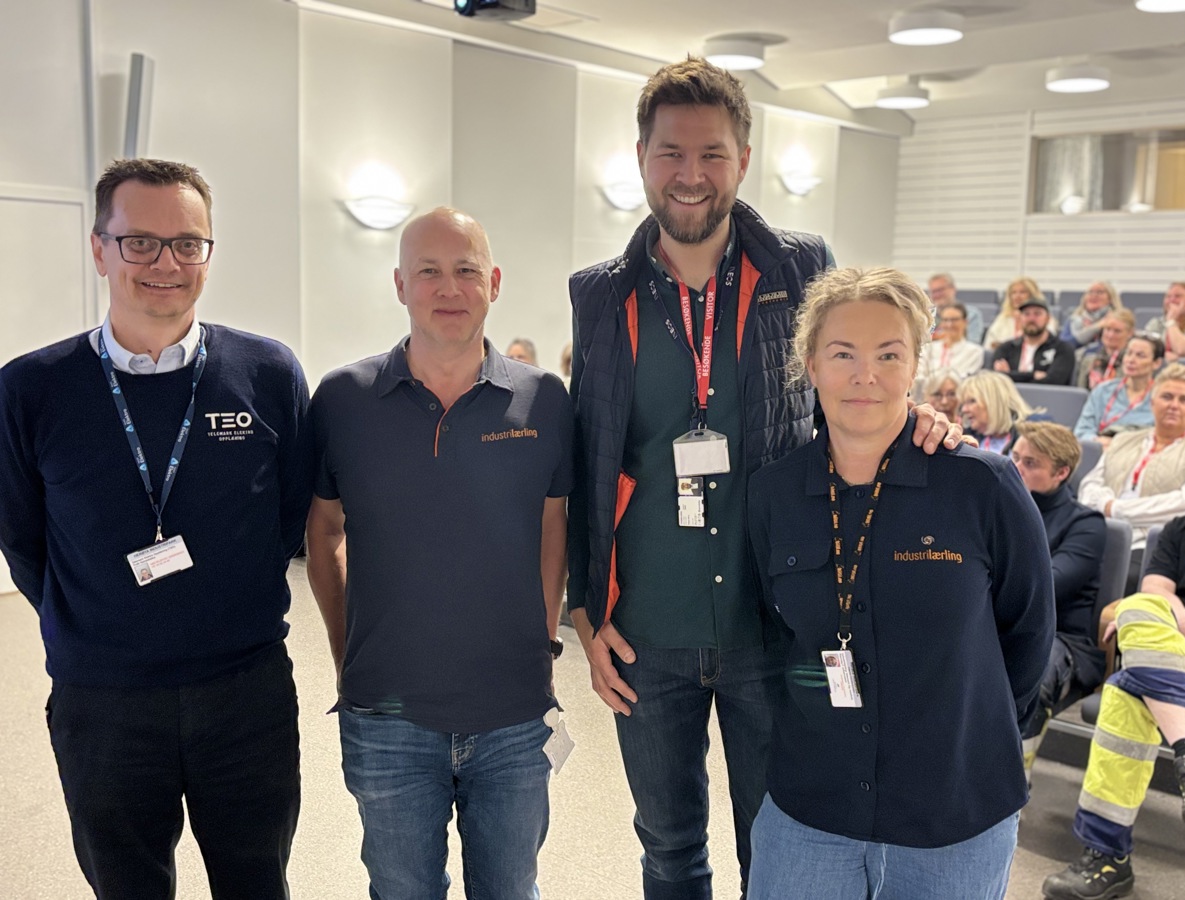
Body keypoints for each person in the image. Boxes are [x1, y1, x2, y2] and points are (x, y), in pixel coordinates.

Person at [566, 58, 960, 900]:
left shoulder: (800, 266)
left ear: (743, 159)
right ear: (641, 158)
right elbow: (588, 455)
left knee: (777, 843)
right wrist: (584, 611)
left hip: (776, 622)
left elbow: (848, 375)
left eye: (712, 153)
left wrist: (913, 417)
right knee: (668, 847)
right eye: (672, 153)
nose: (691, 174)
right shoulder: (599, 295)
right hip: (649, 629)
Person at [0, 158, 310, 899]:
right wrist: (100, 621)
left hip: (245, 692)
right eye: (139, 242)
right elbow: (23, 539)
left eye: (187, 243)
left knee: (257, 883)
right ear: (99, 248)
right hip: (102, 700)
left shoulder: (267, 372)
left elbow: (289, 517)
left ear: (208, 252)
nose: (166, 264)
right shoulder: (31, 388)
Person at [747, 266, 1053, 900]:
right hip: (812, 810)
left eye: (889, 354)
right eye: (843, 354)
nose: (866, 375)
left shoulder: (982, 485)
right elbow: (772, 635)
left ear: (915, 365)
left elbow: (1028, 634)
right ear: (810, 364)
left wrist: (968, 737)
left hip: (954, 815)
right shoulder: (773, 492)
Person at [306, 208, 572, 899]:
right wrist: (346, 652)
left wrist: (543, 642)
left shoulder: (544, 400)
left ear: (495, 283)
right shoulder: (343, 399)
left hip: (514, 714)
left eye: (466, 270)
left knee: (511, 890)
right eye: (428, 271)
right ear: (400, 284)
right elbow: (324, 530)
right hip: (387, 715)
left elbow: (553, 528)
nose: (448, 288)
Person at [1042, 511, 1185, 900]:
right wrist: (1184, 624)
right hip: (1172, 657)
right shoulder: (1181, 529)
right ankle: (1108, 856)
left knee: (1128, 679)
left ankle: (1107, 856)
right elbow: (1156, 591)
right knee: (1136, 617)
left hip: (1165, 654)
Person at [1009, 423, 1107, 779]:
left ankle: (1013, 781)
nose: (1016, 467)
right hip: (997, 625)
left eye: (1030, 463)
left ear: (1061, 472)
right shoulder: (998, 508)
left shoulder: (1087, 524)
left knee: (1030, 670)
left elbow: (1046, 586)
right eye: (1014, 457)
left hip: (1060, 638)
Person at [1079, 363, 1185, 594]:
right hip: (1100, 529)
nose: (1174, 405)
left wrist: (1118, 510)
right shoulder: (1123, 439)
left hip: (1152, 543)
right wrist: (1105, 504)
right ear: (1152, 402)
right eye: (1167, 397)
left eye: (1184, 400)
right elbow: (1090, 485)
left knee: (1122, 579)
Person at [1073, 333, 1164, 445]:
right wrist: (1097, 442)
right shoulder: (1103, 390)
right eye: (1128, 353)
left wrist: (1118, 445)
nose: (1131, 360)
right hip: (1101, 448)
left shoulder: (1162, 397)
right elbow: (1082, 431)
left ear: (1156, 363)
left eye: (1140, 356)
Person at [991, 294, 1074, 384]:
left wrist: (1010, 375)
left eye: (1037, 314)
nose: (1031, 319)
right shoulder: (1006, 348)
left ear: (1048, 319)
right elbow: (995, 379)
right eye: (1026, 314)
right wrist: (1033, 375)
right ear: (1020, 319)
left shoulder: (1063, 348)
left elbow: (1054, 381)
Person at [960, 369, 1042, 455]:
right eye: (964, 403)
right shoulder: (967, 439)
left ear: (994, 402)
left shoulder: (1033, 433)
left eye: (972, 401)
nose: (964, 410)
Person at [913, 302, 983, 398]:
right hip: (926, 398)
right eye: (945, 320)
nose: (949, 325)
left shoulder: (974, 351)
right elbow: (919, 377)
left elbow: (963, 380)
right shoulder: (928, 348)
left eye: (954, 320)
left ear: (965, 323)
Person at [984, 277, 1051, 351]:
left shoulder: (1044, 318)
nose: (1017, 296)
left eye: (1022, 292)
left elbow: (1047, 344)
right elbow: (989, 344)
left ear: (1032, 295)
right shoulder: (1002, 318)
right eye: (1013, 293)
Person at [1076, 309, 1136, 390]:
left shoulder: (1133, 364)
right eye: (1107, 329)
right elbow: (1080, 393)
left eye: (1117, 331)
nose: (1110, 335)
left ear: (1130, 333)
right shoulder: (1088, 361)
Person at [1144, 282, 1185, 362]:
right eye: (1168, 296)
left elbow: (1181, 349)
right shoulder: (1156, 323)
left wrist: (1171, 321)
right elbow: (1146, 350)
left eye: (1178, 296)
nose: (1172, 300)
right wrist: (1163, 355)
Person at [1062, 281, 1121, 349]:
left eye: (1100, 292)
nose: (1094, 295)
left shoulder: (1116, 321)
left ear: (1110, 298)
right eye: (1090, 292)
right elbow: (1063, 347)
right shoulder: (1073, 320)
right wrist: (1097, 326)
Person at [927, 272, 983, 344]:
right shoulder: (928, 316)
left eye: (940, 290)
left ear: (953, 289)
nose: (937, 295)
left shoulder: (971, 314)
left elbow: (972, 343)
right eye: (933, 292)